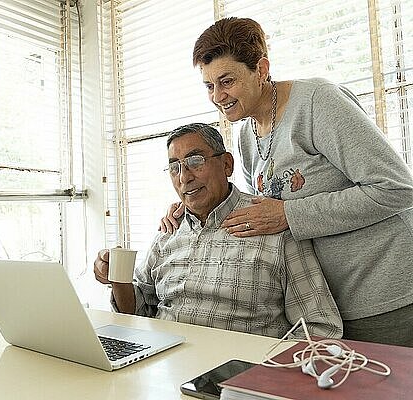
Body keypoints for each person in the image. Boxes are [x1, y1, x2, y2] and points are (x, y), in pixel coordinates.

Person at [159, 17, 413, 346]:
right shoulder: (246, 137)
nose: (217, 96)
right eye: (209, 85)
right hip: (326, 303)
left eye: (227, 81)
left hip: (386, 292)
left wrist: (288, 214)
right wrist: (190, 208)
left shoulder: (317, 103)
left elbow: (396, 187)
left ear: (261, 69)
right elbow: (256, 213)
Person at [94, 123, 342, 339]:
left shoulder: (270, 223)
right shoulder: (169, 230)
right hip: (166, 366)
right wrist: (118, 278)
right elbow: (138, 312)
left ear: (226, 164)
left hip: (239, 376)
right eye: (174, 167)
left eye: (195, 162)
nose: (184, 178)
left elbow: (320, 328)